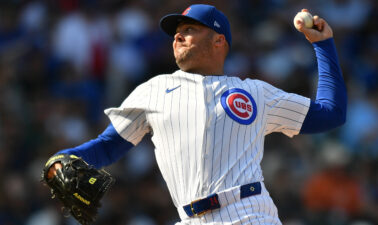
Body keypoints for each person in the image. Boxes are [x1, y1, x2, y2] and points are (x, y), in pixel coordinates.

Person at [46, 4, 347, 224]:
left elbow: (330, 113)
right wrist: (62, 159)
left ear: (219, 40)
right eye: (176, 33)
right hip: (189, 219)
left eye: (189, 30)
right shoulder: (154, 89)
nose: (178, 37)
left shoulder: (255, 92)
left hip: (249, 213)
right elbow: (109, 145)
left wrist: (323, 45)